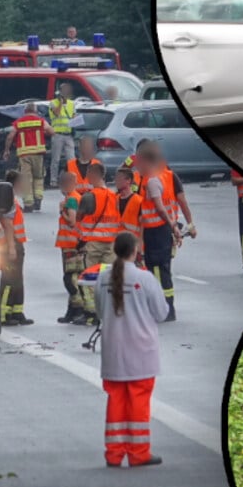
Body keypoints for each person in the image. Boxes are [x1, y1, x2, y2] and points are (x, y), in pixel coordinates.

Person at [94, 231, 169, 468]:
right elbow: (161, 313)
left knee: (116, 401)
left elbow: (99, 310)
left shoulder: (102, 278)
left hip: (113, 350)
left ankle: (114, 453)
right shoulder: (144, 278)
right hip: (141, 351)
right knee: (139, 403)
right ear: (135, 251)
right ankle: (139, 453)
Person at [136, 148, 181, 322]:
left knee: (159, 271)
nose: (138, 167)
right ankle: (164, 309)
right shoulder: (157, 178)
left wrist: (173, 227)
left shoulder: (152, 182)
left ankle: (166, 309)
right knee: (159, 270)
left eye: (140, 163)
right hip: (157, 231)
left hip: (157, 232)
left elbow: (160, 208)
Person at [76, 162, 120, 323]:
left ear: (93, 175)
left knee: (90, 279)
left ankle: (92, 313)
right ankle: (110, 310)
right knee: (109, 279)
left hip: (93, 243)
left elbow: (78, 218)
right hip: (111, 243)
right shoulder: (113, 195)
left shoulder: (89, 197)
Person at [0, 170, 34, 326]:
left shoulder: (10, 198)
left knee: (17, 279)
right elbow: (7, 223)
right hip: (11, 243)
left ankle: (16, 311)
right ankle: (3, 314)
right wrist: (12, 247)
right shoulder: (9, 200)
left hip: (15, 242)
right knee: (9, 279)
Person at [3, 103, 51, 211]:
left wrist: (7, 150)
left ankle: (28, 204)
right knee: (38, 177)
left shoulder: (19, 122)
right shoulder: (40, 121)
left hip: (24, 155)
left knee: (25, 178)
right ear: (35, 111)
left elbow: (10, 136)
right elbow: (51, 131)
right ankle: (38, 199)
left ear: (25, 111)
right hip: (38, 154)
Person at [55, 171, 85, 324]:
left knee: (70, 278)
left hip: (71, 244)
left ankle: (78, 309)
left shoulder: (72, 199)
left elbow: (72, 221)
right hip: (72, 243)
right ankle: (72, 311)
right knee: (73, 276)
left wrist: (62, 211)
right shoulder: (74, 197)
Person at [47, 83, 76, 186]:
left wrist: (75, 120)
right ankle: (53, 180)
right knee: (56, 159)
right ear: (59, 92)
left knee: (71, 159)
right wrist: (60, 102)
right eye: (64, 90)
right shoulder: (53, 103)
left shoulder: (72, 104)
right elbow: (57, 113)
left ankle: (73, 179)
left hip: (68, 134)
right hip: (57, 134)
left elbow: (74, 117)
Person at [114, 167, 143, 247]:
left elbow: (142, 226)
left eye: (119, 178)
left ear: (128, 181)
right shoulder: (114, 199)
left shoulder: (139, 201)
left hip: (132, 244)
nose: (116, 181)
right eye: (116, 178)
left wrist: (140, 246)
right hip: (115, 243)